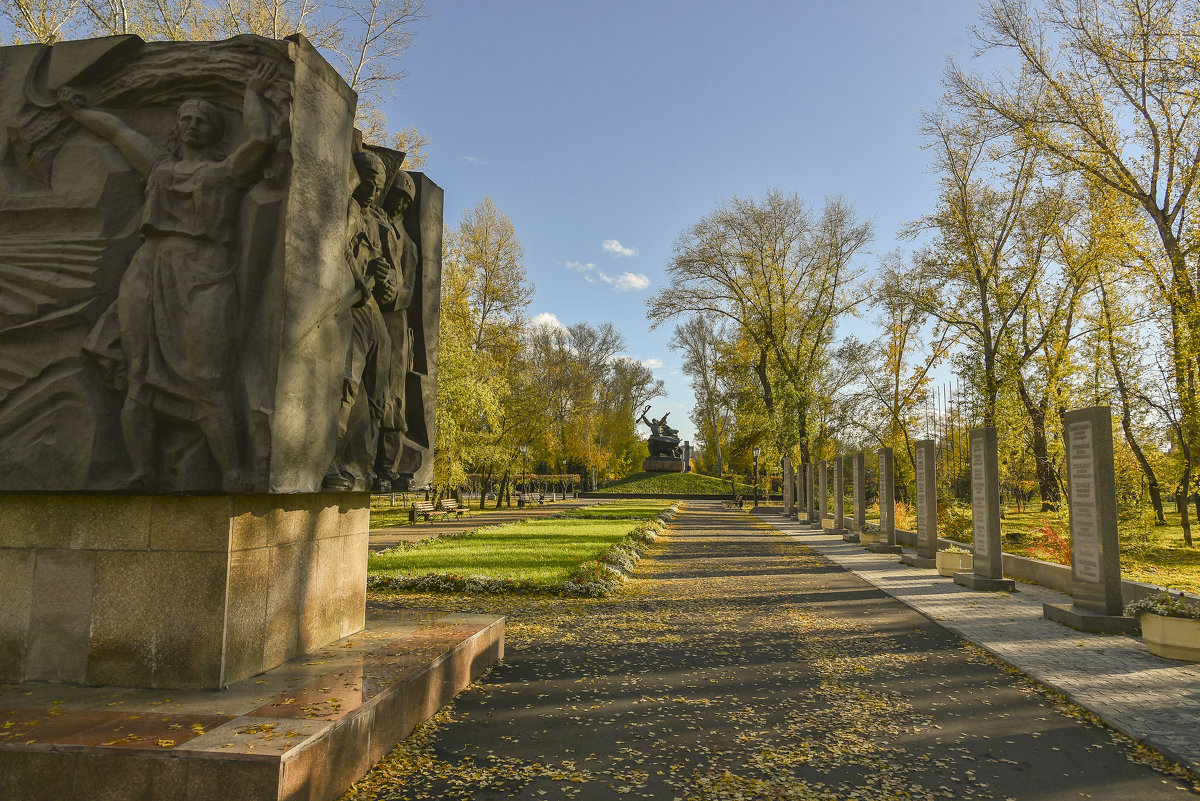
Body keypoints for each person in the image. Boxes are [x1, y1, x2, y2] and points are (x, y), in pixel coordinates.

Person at [59, 64, 277, 491]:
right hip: (150, 268)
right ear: (176, 129)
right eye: (186, 120)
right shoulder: (158, 167)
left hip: (207, 274)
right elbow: (119, 132)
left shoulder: (226, 173)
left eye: (202, 121)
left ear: (215, 132)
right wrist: (79, 112)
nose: (192, 125)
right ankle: (142, 472)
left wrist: (252, 92)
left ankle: (233, 473)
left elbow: (262, 140)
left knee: (210, 378)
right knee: (139, 374)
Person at [322, 151, 398, 490]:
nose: (372, 192)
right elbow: (336, 251)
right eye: (367, 183)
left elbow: (384, 273)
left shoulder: (374, 222)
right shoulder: (349, 211)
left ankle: (362, 464)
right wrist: (358, 278)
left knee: (378, 390)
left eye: (378, 187)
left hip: (371, 309)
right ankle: (327, 462)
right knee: (347, 383)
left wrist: (383, 276)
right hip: (351, 304)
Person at [372, 168, 420, 490]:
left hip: (397, 320)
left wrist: (395, 296)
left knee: (396, 394)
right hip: (372, 309)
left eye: (405, 200)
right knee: (375, 389)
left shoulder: (412, 248)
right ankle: (364, 455)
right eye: (396, 196)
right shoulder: (373, 222)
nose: (399, 204)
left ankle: (387, 463)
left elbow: (411, 290)